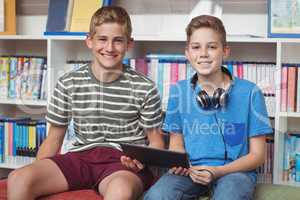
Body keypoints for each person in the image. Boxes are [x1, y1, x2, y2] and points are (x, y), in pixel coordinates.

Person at [7, 6, 164, 200]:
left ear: (129, 44)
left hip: (121, 163)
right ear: (89, 40)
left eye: (118, 41)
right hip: (80, 157)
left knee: (120, 191)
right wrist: (38, 169)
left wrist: (142, 160)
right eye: (102, 39)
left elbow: (156, 140)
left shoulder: (145, 87)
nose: (109, 48)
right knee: (18, 178)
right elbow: (54, 138)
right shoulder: (68, 82)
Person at [144, 15, 273, 200]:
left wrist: (218, 171)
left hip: (234, 172)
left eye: (212, 47)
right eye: (196, 47)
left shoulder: (250, 92)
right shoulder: (178, 91)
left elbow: (258, 155)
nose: (203, 54)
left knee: (229, 194)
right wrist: (180, 162)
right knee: (158, 194)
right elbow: (176, 144)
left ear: (225, 51)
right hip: (191, 172)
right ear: (187, 53)